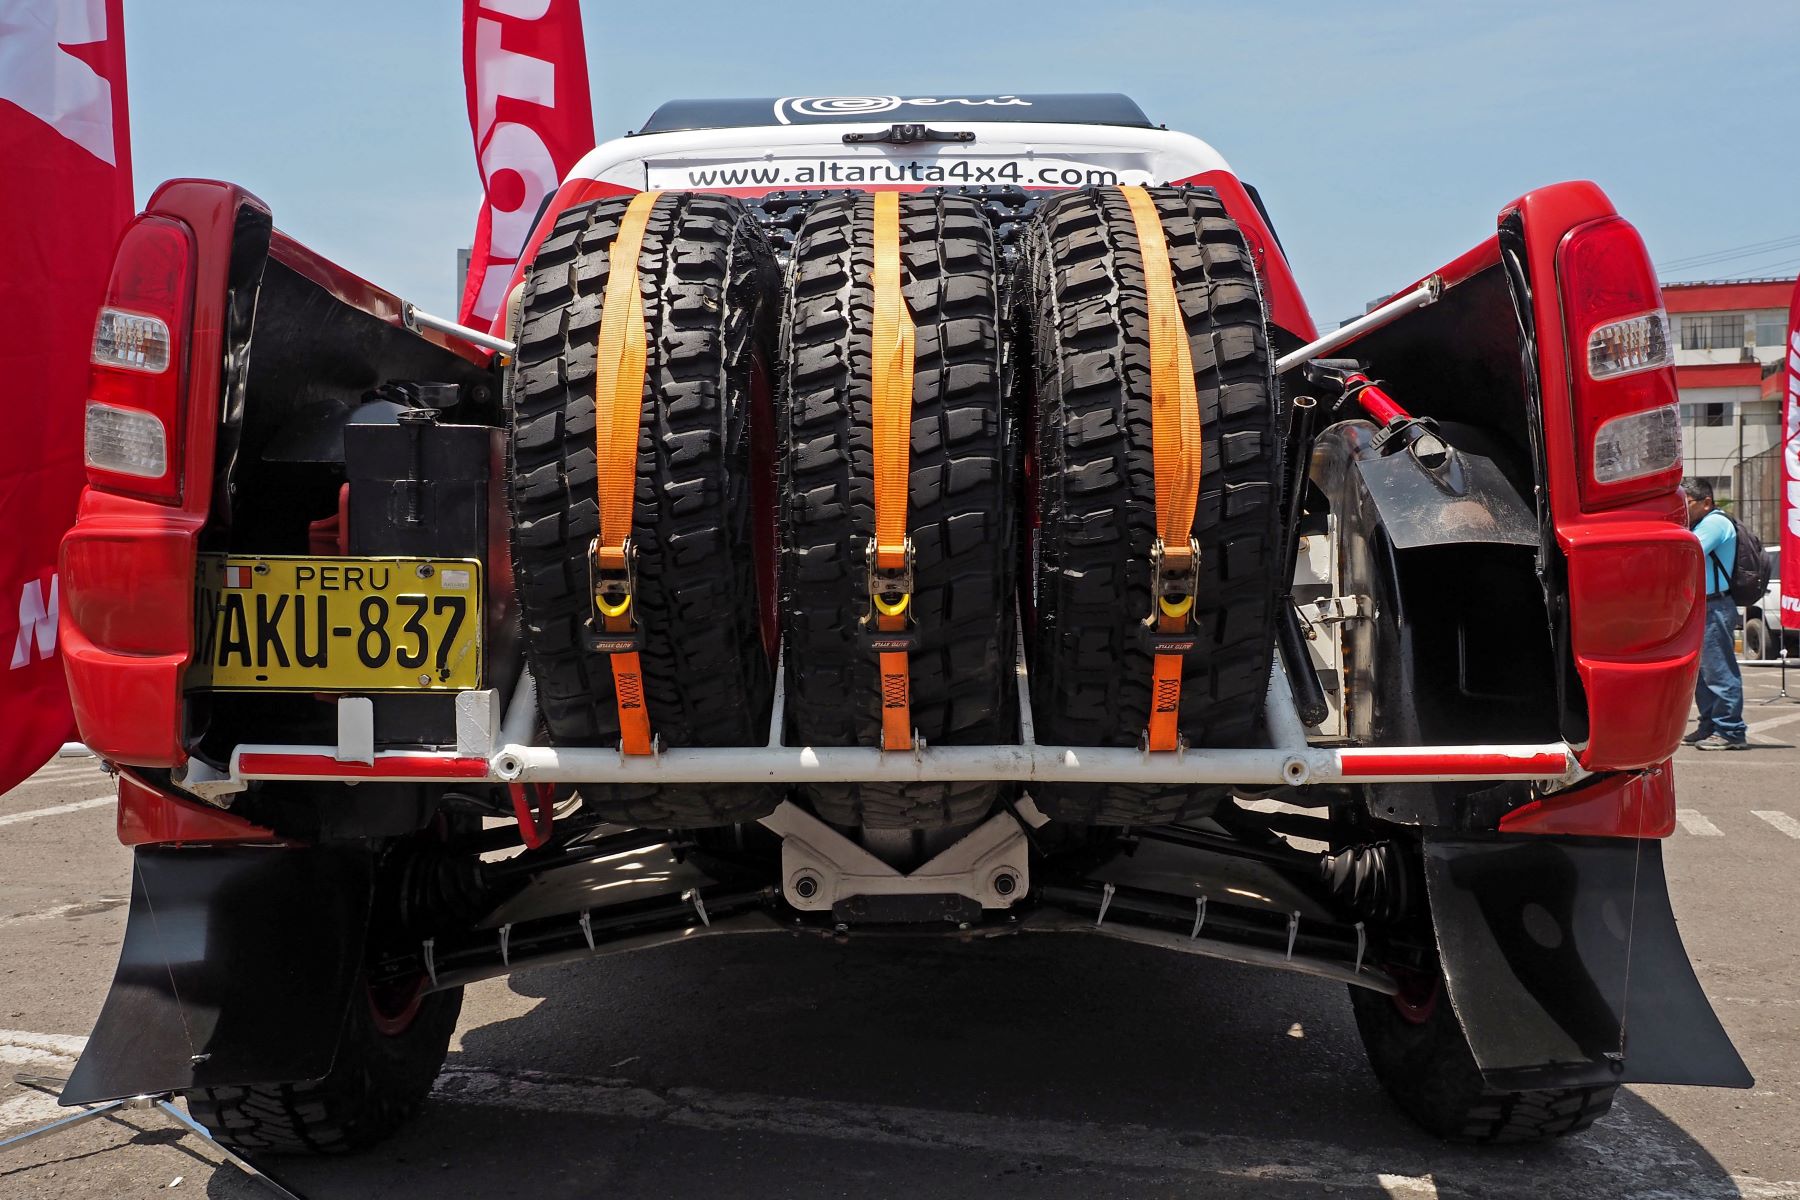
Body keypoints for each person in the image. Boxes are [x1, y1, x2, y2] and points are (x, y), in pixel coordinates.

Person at [1683, 479, 1747, 750]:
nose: (1683, 510)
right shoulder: (1700, 524)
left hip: (1715, 606)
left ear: (1706, 502)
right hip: (1703, 606)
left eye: (1686, 503)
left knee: (1719, 670)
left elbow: (1687, 551)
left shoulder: (1715, 523)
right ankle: (1709, 725)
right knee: (1703, 673)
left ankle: (1731, 731)